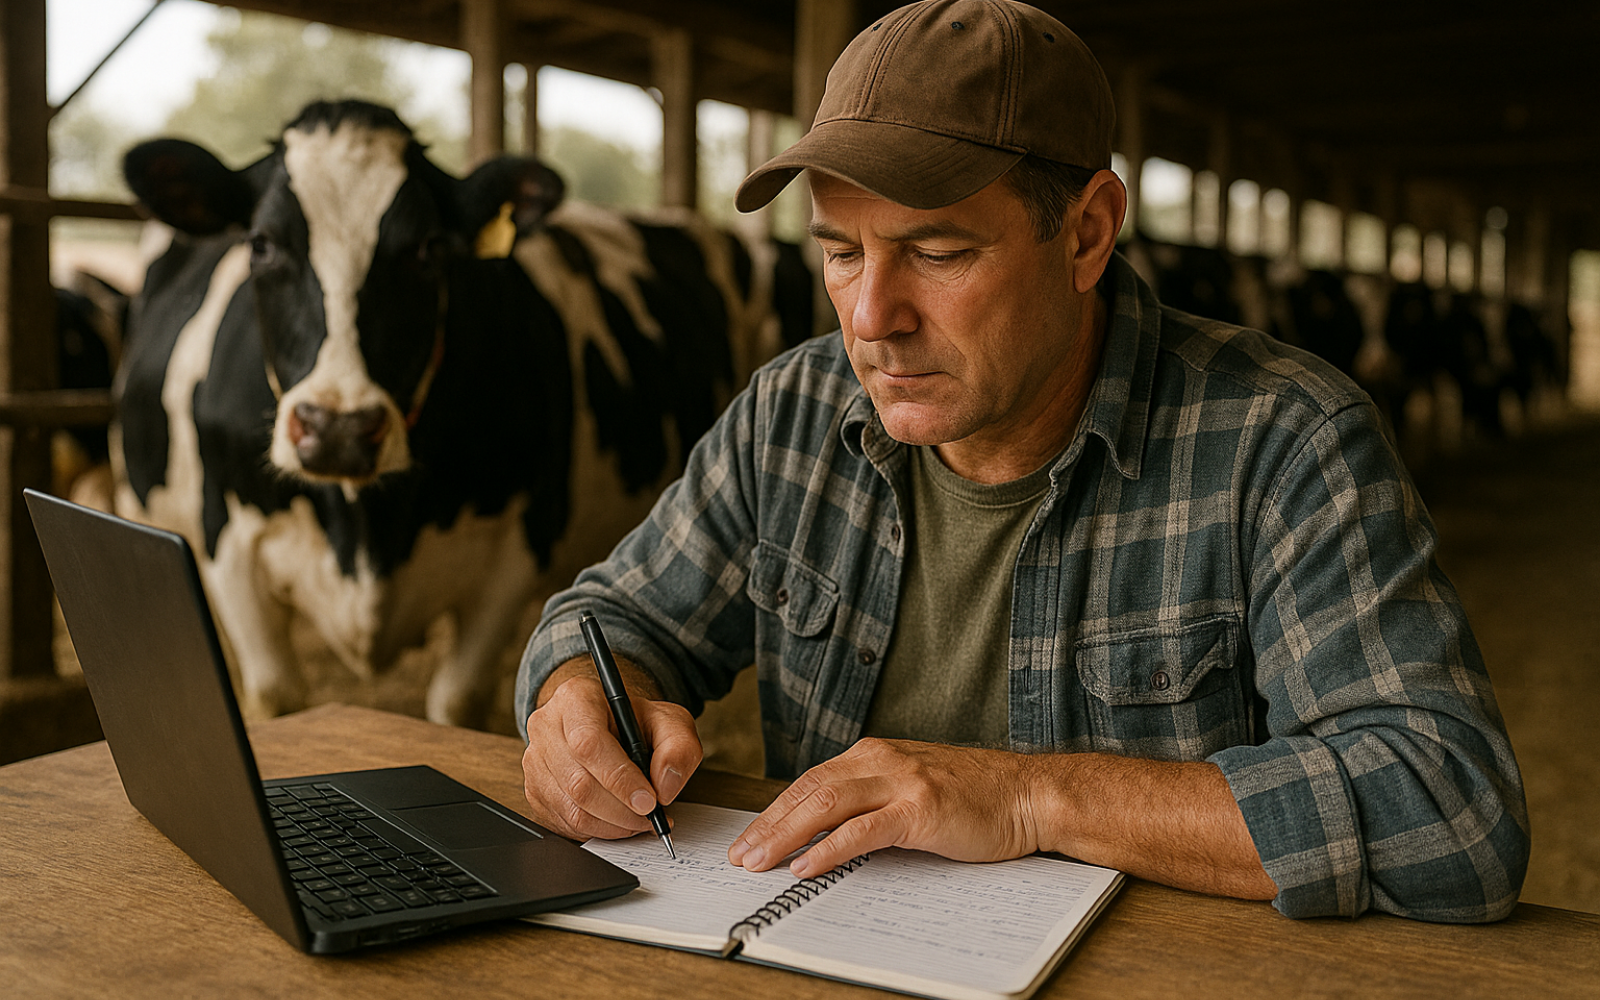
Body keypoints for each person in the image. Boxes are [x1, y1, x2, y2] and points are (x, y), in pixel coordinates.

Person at [516, 0, 1529, 922]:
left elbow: (1449, 805)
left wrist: (1027, 792)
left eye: (939, 252)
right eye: (838, 251)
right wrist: (575, 699)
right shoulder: (793, 410)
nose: (871, 319)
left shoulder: (1281, 438)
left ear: (1086, 234)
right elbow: (612, 618)